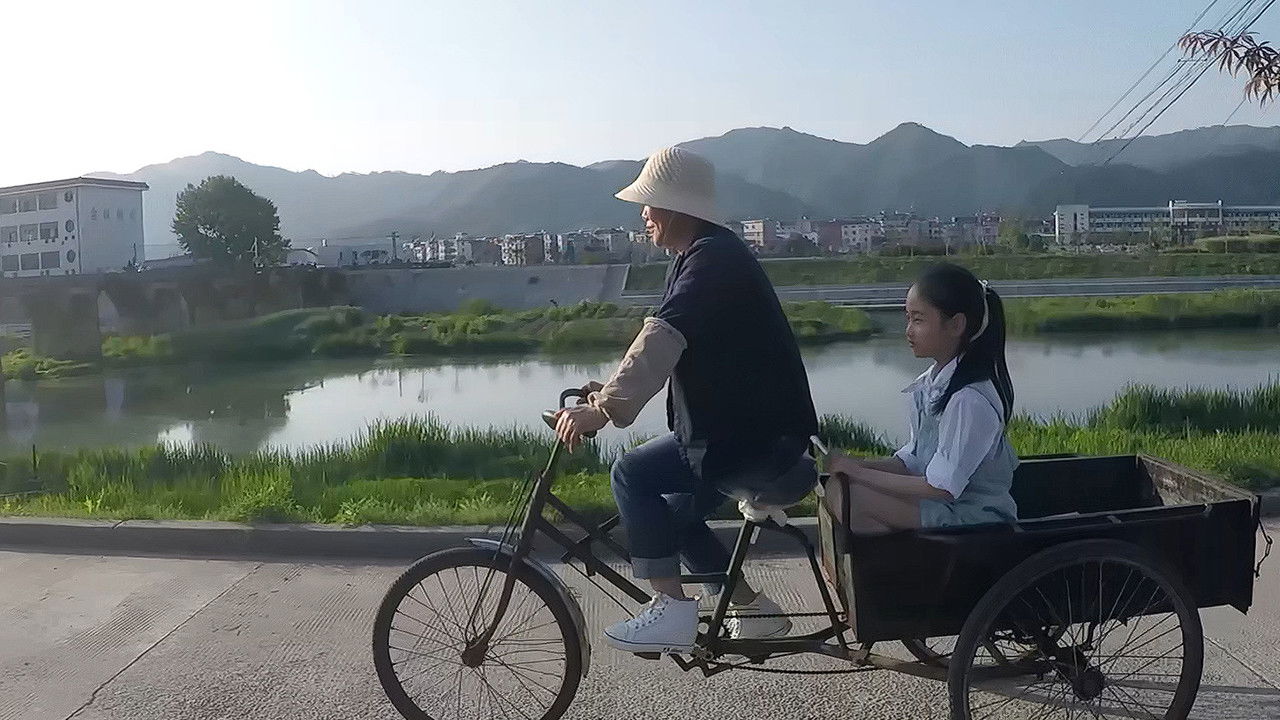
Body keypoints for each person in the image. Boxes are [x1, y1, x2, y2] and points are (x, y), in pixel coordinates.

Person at [553, 146, 820, 654]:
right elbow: (663, 343)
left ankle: (672, 610)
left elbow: (662, 337)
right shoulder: (703, 257)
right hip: (755, 440)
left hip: (757, 447)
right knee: (674, 515)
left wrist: (604, 410)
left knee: (631, 474)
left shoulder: (712, 261)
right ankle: (752, 610)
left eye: (649, 202)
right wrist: (604, 391)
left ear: (676, 207)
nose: (643, 213)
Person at [824, 263, 1018, 532]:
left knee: (851, 498)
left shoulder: (969, 399)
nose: (908, 331)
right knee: (840, 487)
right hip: (946, 507)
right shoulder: (930, 384)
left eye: (918, 320)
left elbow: (941, 488)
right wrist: (856, 465)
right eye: (908, 318)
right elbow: (913, 462)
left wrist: (859, 472)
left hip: (974, 520)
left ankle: (903, 558)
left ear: (956, 325)